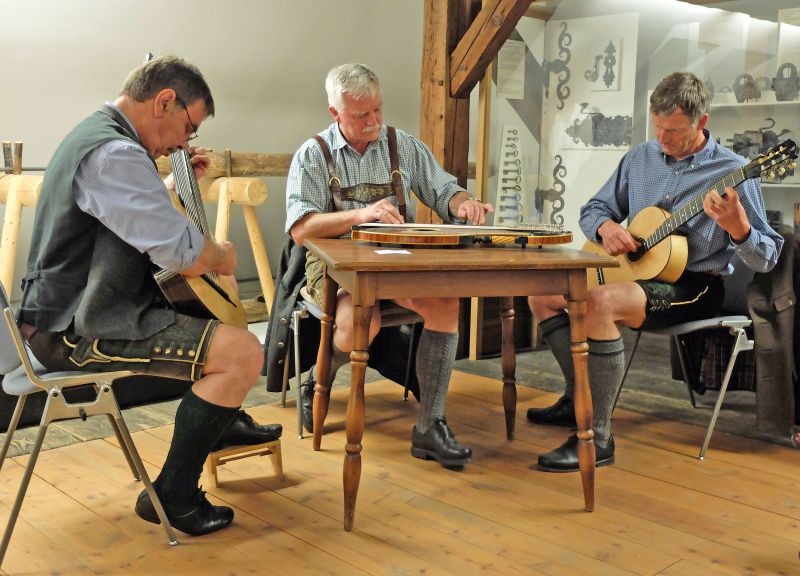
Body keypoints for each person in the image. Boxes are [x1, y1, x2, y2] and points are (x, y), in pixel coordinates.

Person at [17, 55, 281, 536]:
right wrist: (220, 255)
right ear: (164, 101)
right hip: (79, 329)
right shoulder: (115, 155)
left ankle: (220, 422)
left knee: (214, 333)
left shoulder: (98, 137)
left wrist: (171, 185)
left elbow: (118, 213)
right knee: (242, 353)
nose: (185, 142)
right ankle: (175, 496)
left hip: (66, 315)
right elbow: (182, 254)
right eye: (189, 126)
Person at [525, 71, 783, 472]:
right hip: (639, 276)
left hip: (696, 285)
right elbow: (594, 210)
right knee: (542, 296)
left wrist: (740, 228)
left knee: (599, 301)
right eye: (658, 127)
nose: (662, 138)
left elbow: (766, 259)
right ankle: (579, 396)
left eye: (674, 131)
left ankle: (596, 437)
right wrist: (607, 228)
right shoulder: (640, 157)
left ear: (702, 123)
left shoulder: (734, 171)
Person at [280, 62, 492, 468]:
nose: (374, 121)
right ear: (335, 114)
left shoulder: (403, 146)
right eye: (362, 115)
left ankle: (430, 425)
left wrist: (462, 204)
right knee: (362, 323)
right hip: (332, 264)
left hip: (397, 260)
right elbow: (302, 228)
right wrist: (360, 216)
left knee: (445, 304)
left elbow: (444, 188)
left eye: (378, 109)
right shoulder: (313, 154)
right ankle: (316, 382)